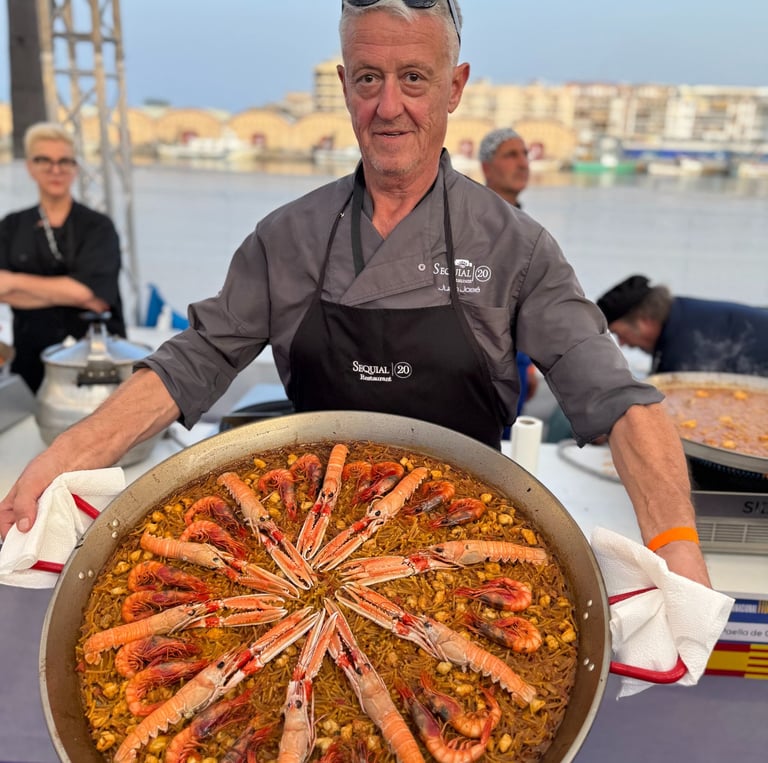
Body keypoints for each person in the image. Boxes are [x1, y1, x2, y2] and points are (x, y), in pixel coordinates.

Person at [0, 0, 710, 589]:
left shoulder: (513, 245)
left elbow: (617, 398)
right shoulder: (288, 237)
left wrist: (676, 541)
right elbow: (197, 358)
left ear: (455, 86)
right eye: (369, 79)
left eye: (414, 78)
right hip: (313, 547)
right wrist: (64, 456)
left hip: (465, 541)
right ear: (344, 86)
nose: (389, 106)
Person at [0, 122, 126, 392]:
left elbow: (85, 292)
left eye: (64, 161)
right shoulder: (11, 226)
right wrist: (74, 293)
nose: (55, 170)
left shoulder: (98, 227)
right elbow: (82, 295)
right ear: (30, 167)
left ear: (75, 167)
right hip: (30, 362)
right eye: (43, 160)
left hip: (95, 368)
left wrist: (14, 281)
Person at [597, 274, 768, 376]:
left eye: (620, 333)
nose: (622, 343)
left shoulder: (684, 350)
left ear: (644, 321)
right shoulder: (682, 311)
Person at [479, 127, 538, 417]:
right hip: (475, 364)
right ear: (486, 167)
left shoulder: (525, 227)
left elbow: (523, 299)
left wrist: (527, 364)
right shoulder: (470, 221)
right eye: (511, 155)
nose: (523, 163)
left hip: (514, 361)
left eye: (525, 154)